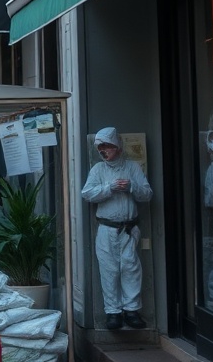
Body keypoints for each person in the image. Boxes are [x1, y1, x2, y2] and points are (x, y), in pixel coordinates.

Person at [81, 127, 153, 331]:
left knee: (131, 268)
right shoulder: (98, 170)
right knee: (109, 270)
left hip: (129, 228)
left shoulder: (132, 167)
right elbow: (87, 193)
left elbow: (147, 194)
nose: (103, 151)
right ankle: (112, 312)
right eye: (100, 147)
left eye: (107, 146)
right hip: (106, 228)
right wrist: (109, 188)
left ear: (117, 147)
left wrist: (131, 187)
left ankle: (132, 310)